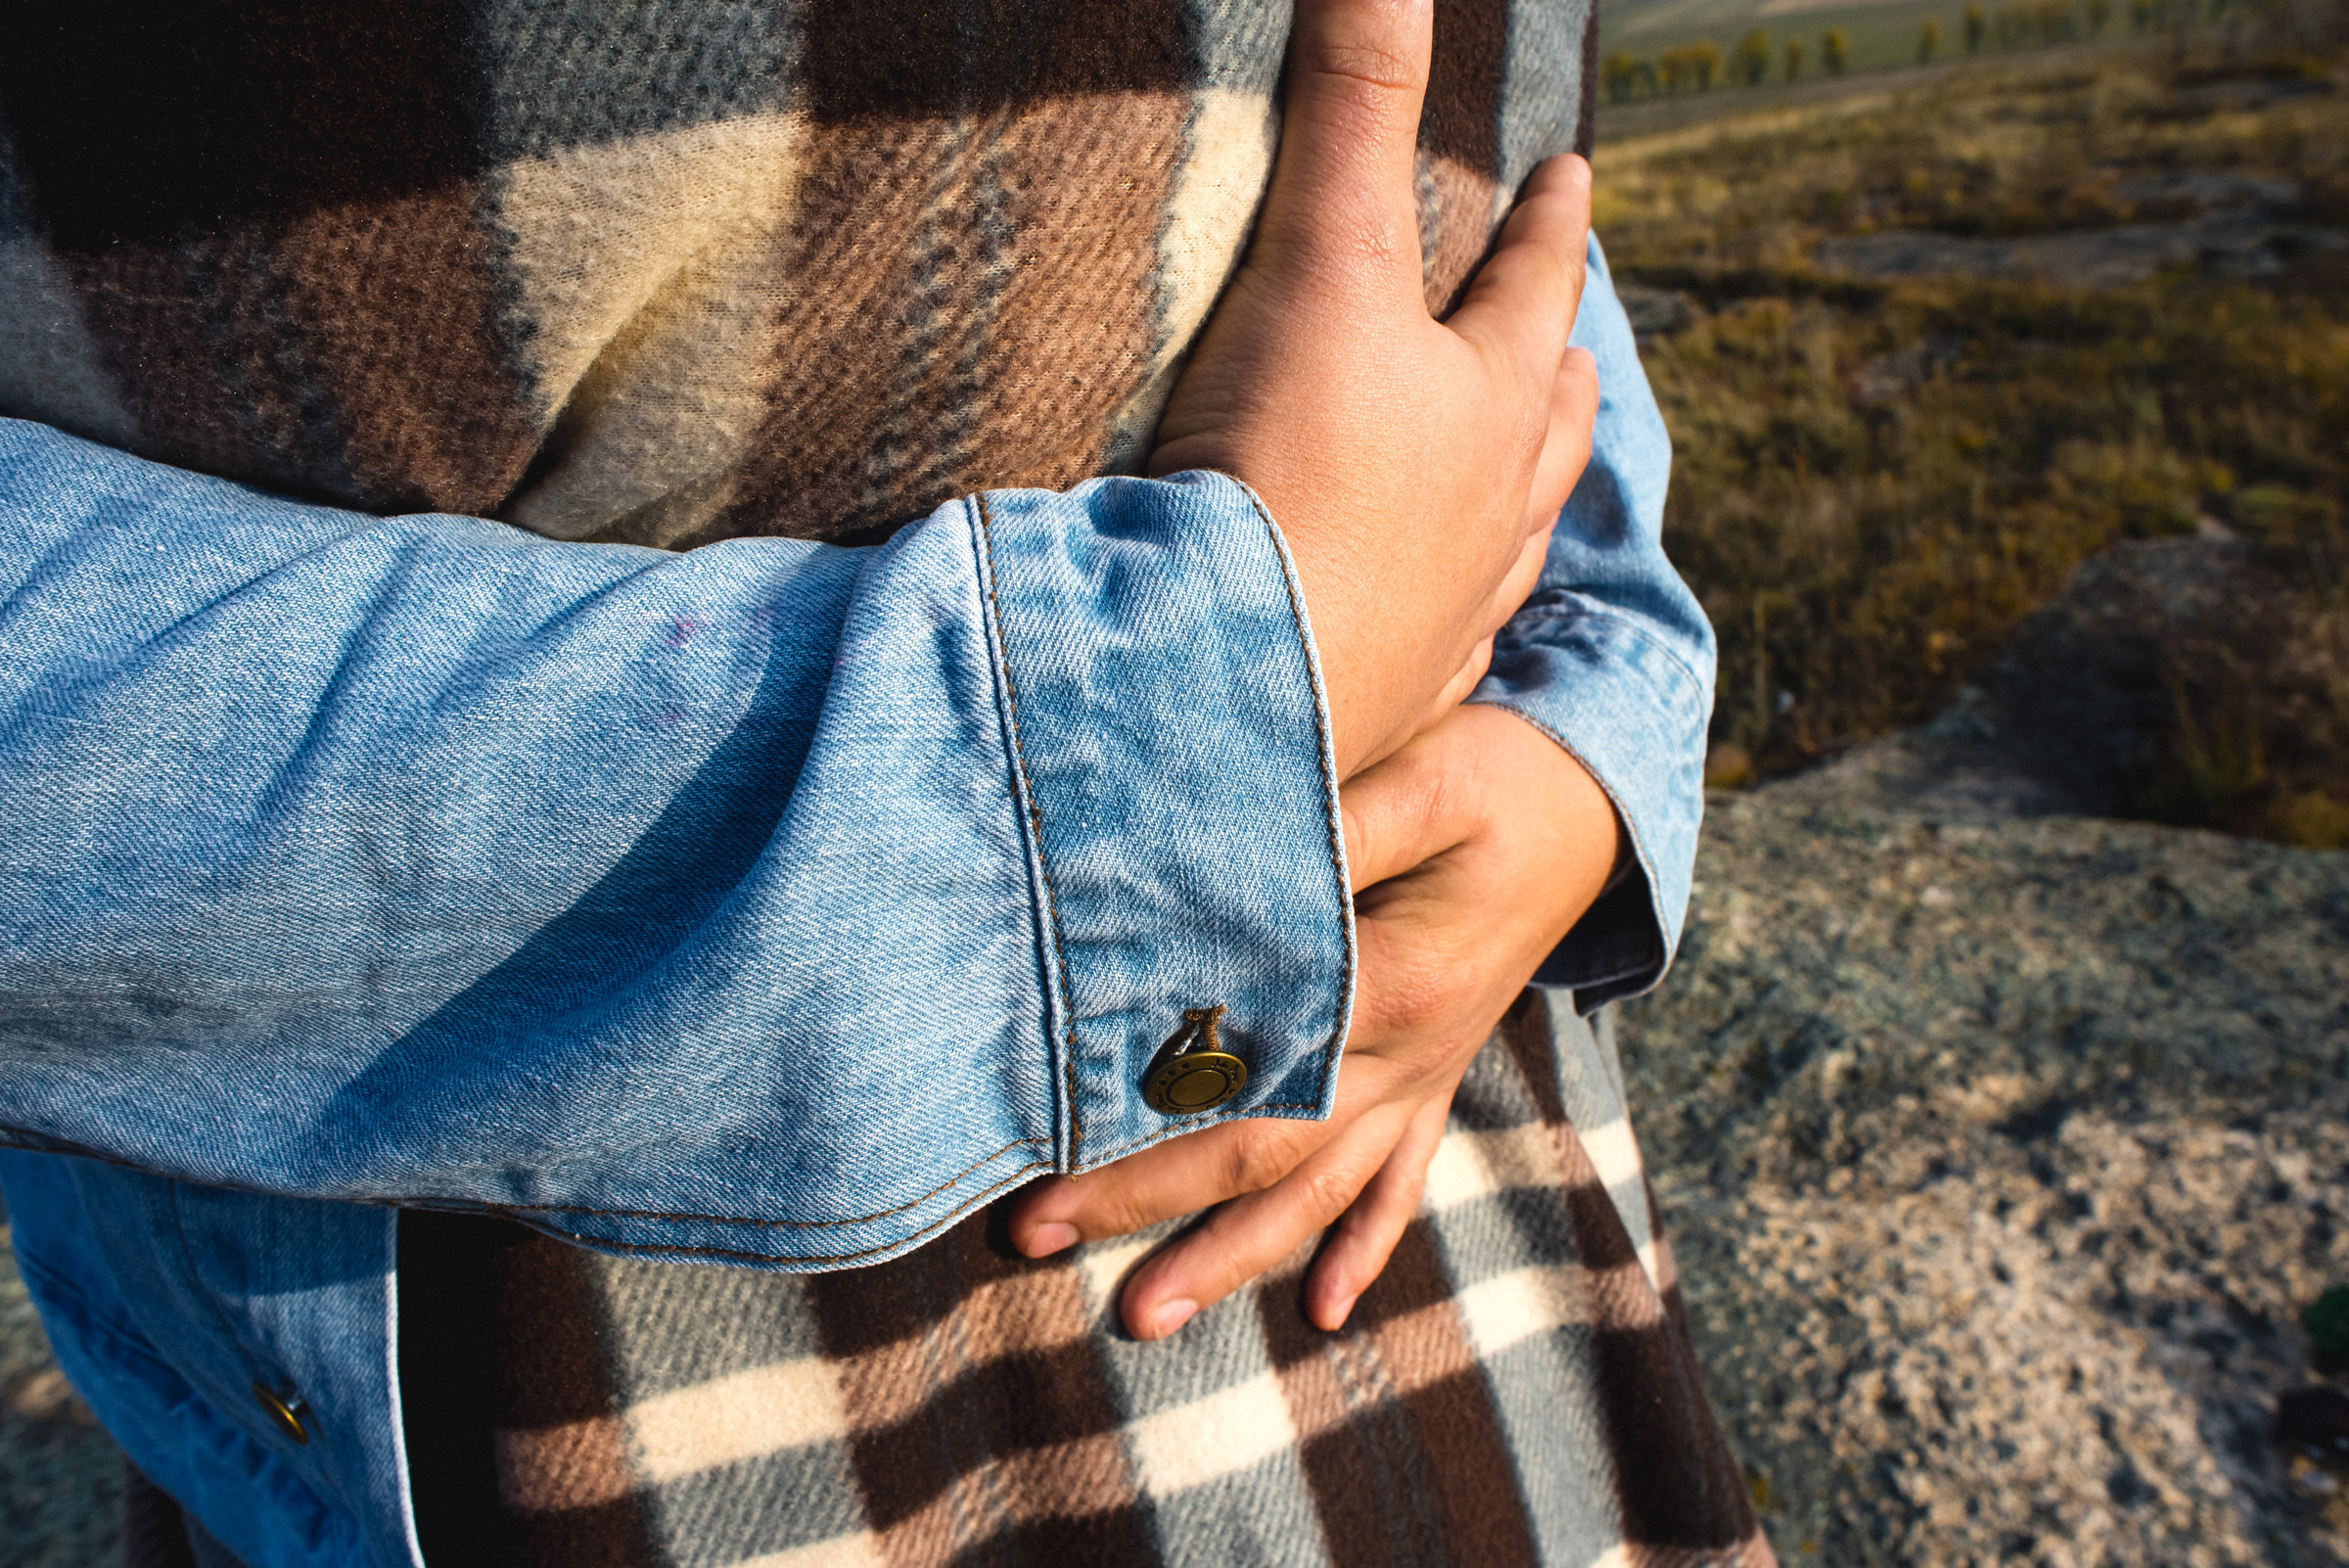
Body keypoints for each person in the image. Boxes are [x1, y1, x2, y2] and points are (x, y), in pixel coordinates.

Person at [0, 0, 1763, 1563]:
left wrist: (1593, 700)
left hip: (1423, 1179)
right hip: (587, 1371)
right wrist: (1118, 768)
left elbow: (1523, 202)